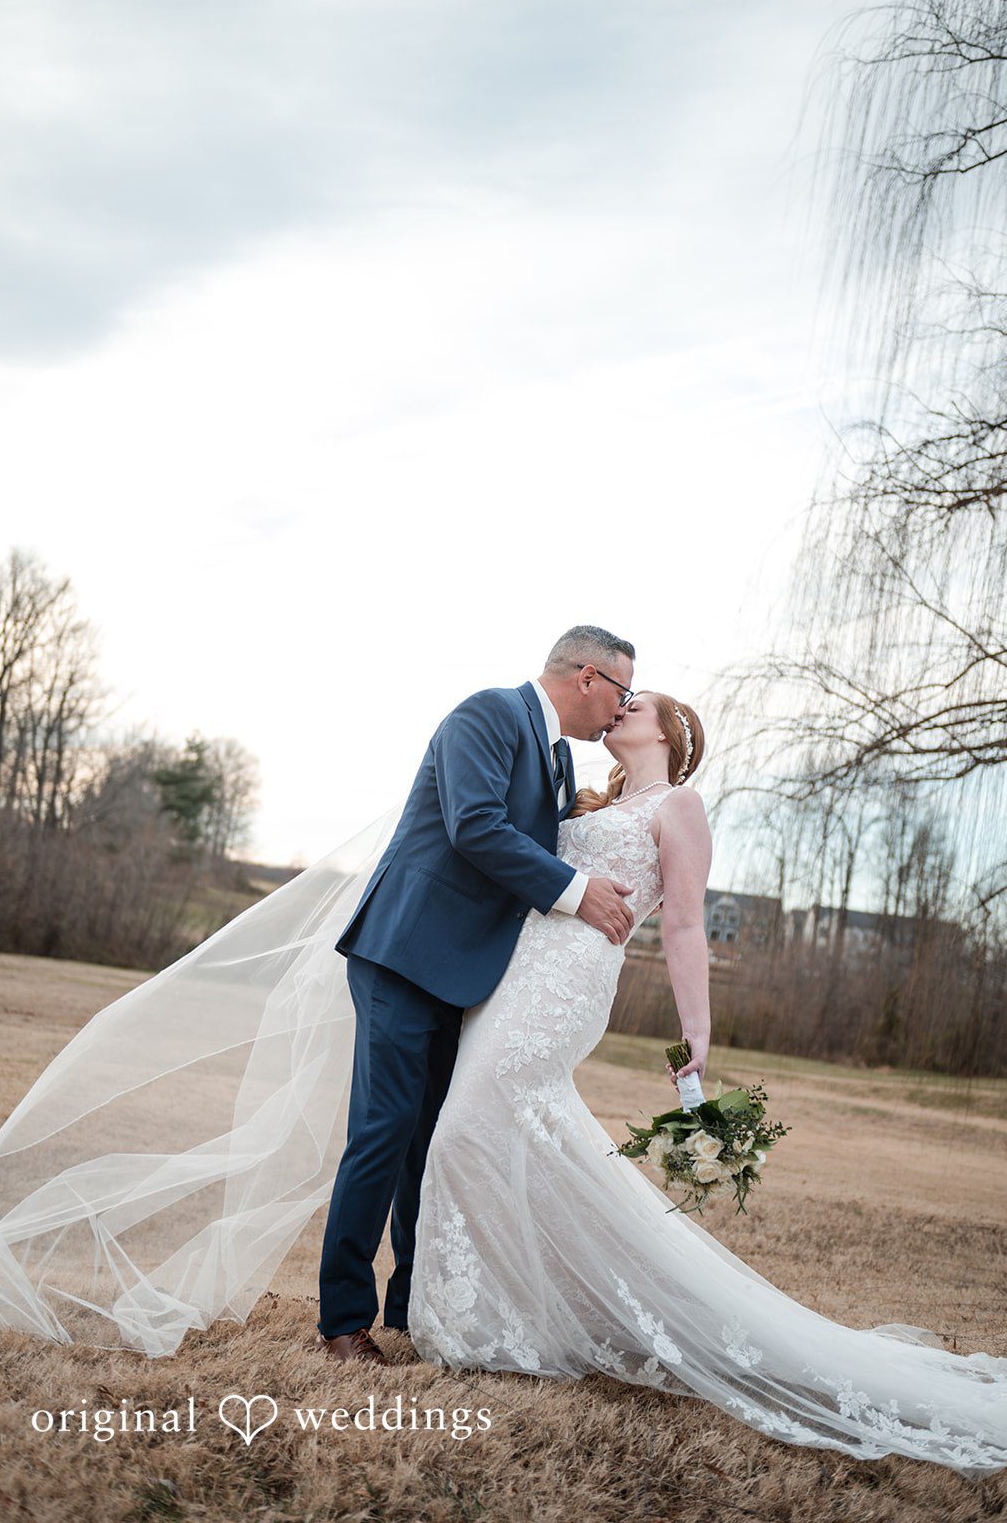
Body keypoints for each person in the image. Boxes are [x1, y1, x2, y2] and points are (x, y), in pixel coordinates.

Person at [404, 692, 1007, 1478]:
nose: (617, 711)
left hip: (569, 983)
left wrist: (699, 1031)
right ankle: (516, 1318)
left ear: (669, 731)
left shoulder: (678, 804)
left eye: (634, 704)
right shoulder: (581, 797)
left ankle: (489, 1324)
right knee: (497, 1133)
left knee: (464, 1132)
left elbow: (684, 923)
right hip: (511, 977)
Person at [316, 625, 638, 1363]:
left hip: (465, 973)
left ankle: (408, 1308)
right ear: (587, 677)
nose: (618, 713)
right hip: (402, 954)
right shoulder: (488, 715)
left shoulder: (557, 758)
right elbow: (475, 827)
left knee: (432, 1140)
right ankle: (342, 1322)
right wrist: (575, 892)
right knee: (384, 1130)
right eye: (619, 692)